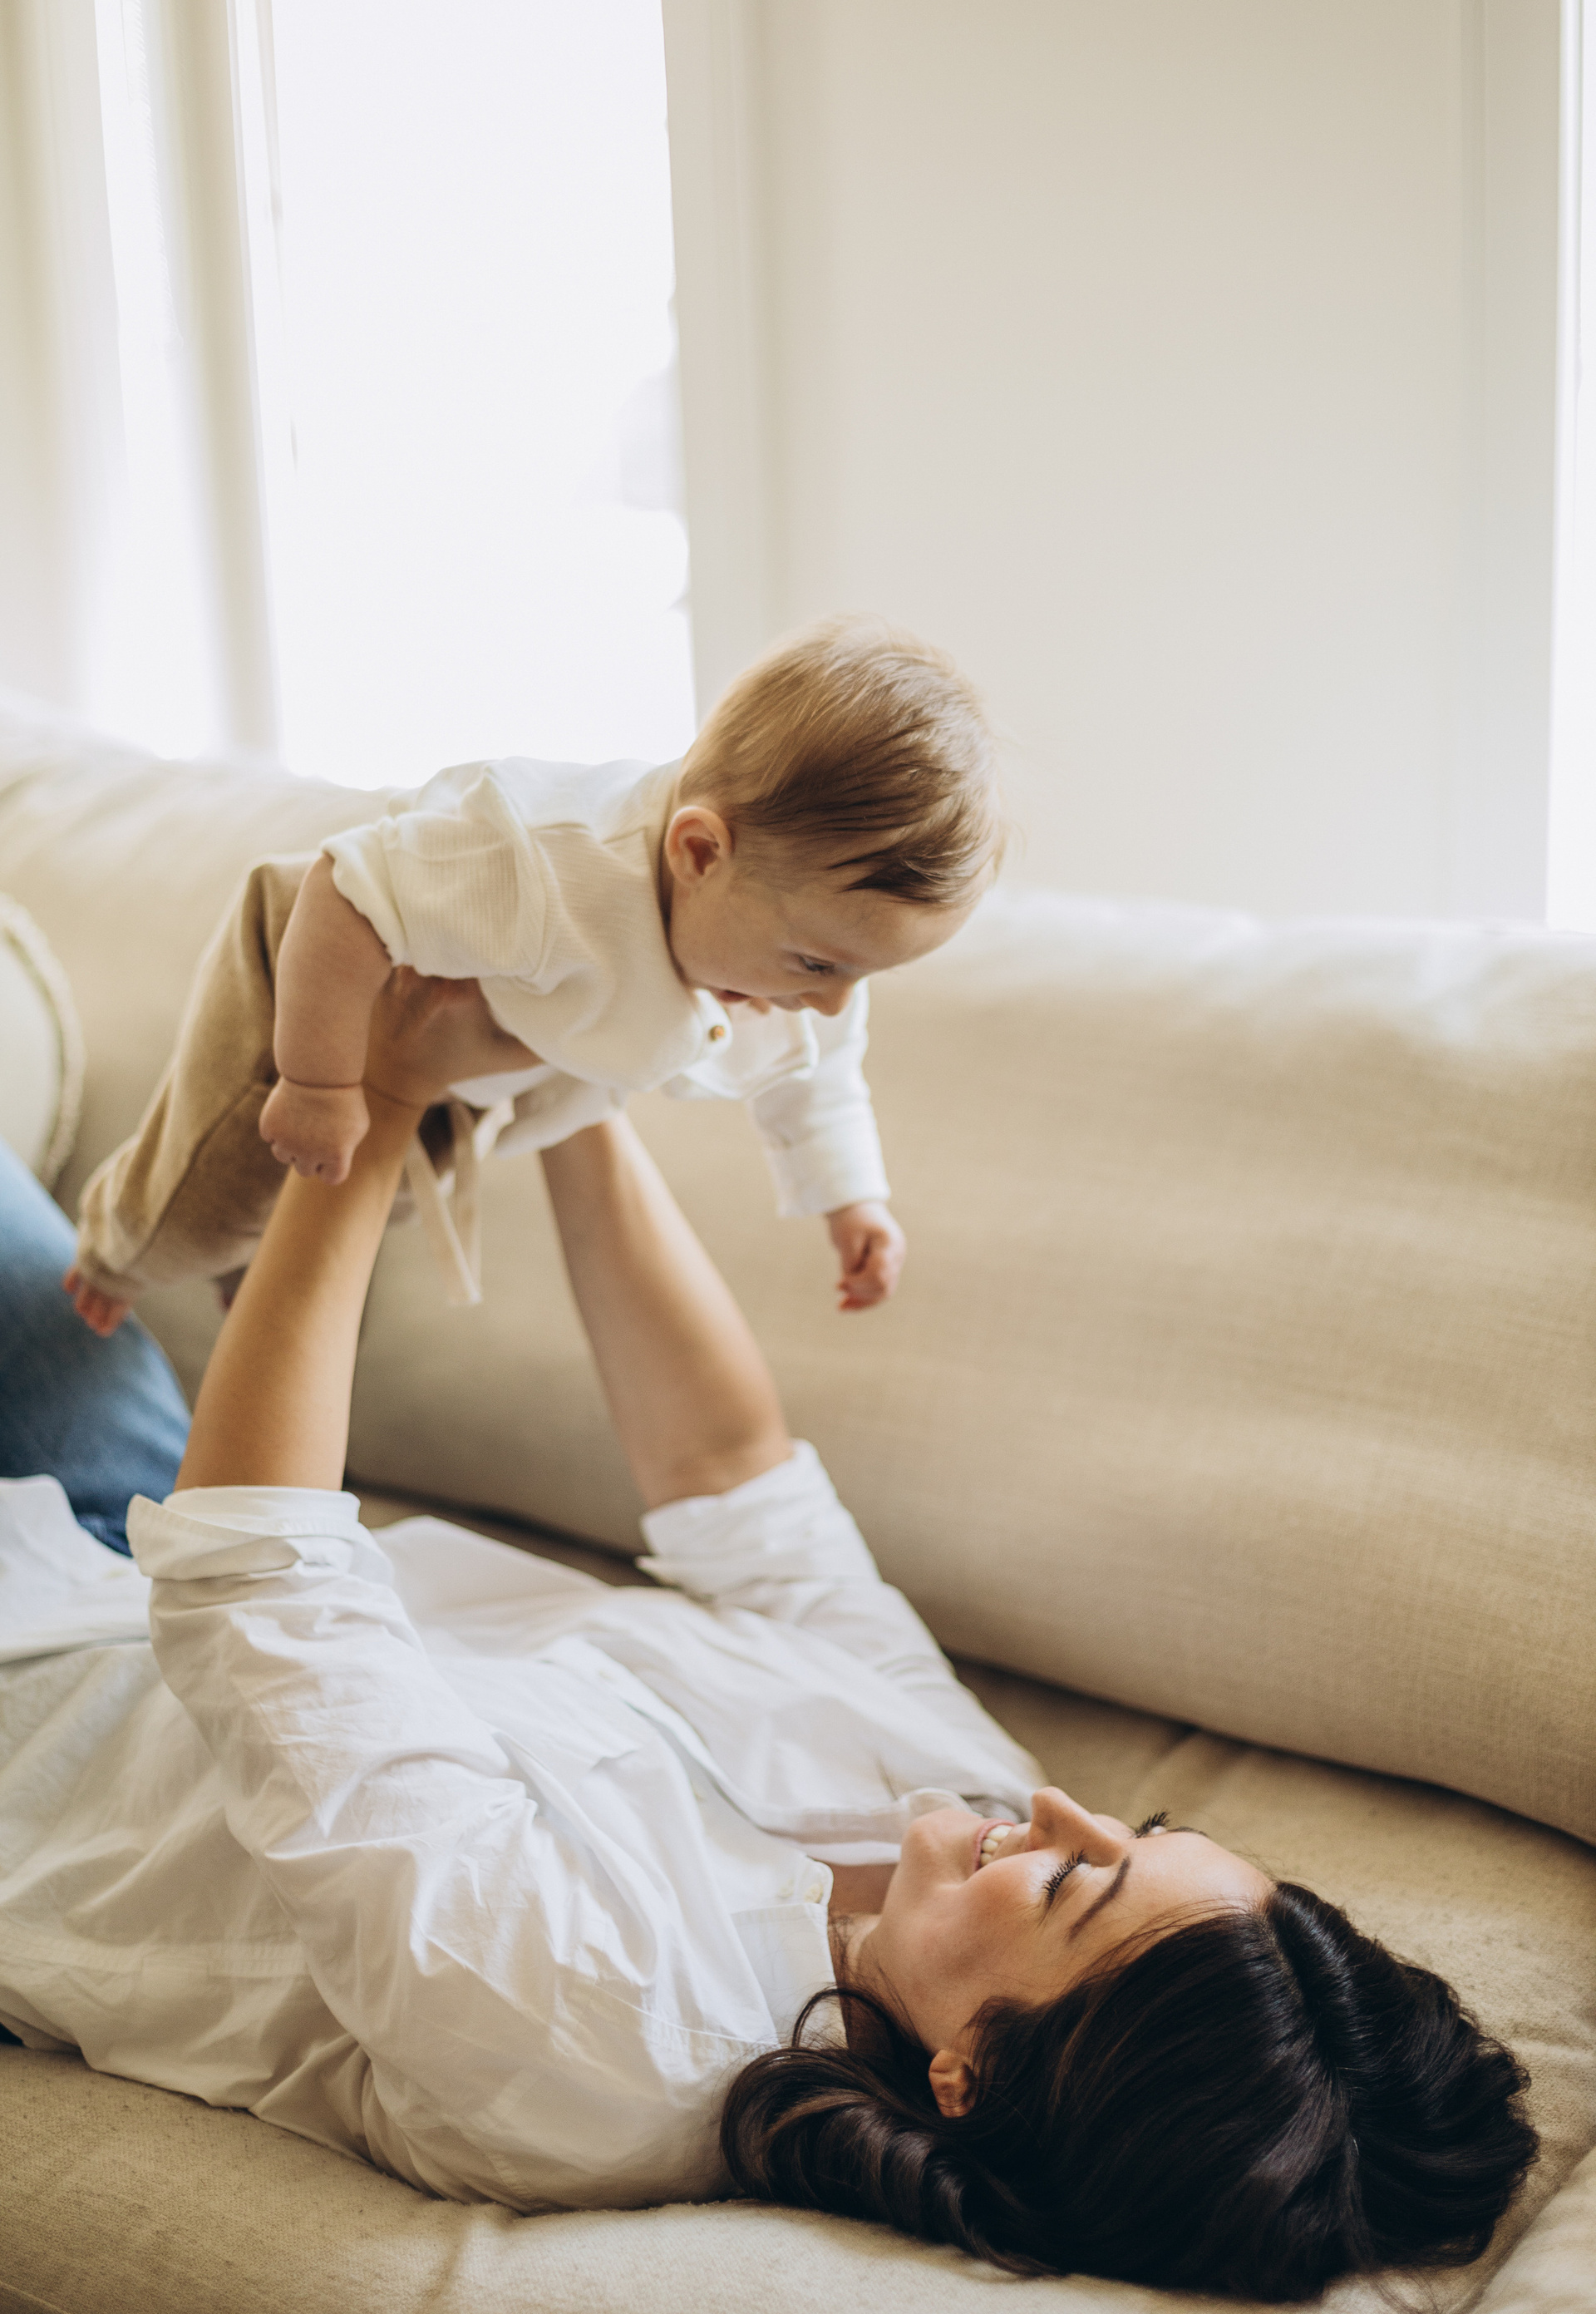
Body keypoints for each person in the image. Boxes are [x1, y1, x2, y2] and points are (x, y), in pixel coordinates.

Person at [0, 975, 1534, 2299]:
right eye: (1136, 1830)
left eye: (1077, 1883)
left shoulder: (605, 2043)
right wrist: (574, 1067)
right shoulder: (955, 1793)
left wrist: (384, 1100)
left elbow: (260, 1574)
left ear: (973, 2073)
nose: (1056, 1807)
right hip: (112, 1518)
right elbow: (734, 1478)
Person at [64, 616, 996, 1337]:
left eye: (861, 976)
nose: (832, 1000)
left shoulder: (796, 950)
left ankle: (249, 1256)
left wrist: (850, 1198)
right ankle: (110, 1255)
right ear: (699, 853)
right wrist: (318, 1083)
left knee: (372, 1196)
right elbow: (343, 893)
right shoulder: (544, 862)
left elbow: (816, 1069)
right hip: (321, 977)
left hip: (469, 1060)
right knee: (207, 1199)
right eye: (819, 966)